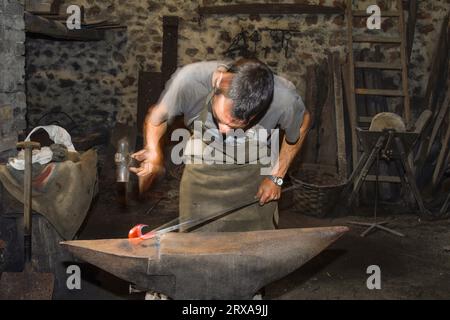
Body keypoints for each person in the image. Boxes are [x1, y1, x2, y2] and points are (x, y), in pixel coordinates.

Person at [130, 58, 311, 232]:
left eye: (234, 125)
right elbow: (156, 118)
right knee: (196, 245)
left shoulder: (283, 99)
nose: (224, 131)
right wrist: (153, 152)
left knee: (254, 244)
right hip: (202, 175)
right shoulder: (189, 81)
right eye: (219, 118)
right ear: (218, 82)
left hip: (254, 177)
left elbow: (302, 124)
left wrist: (276, 177)